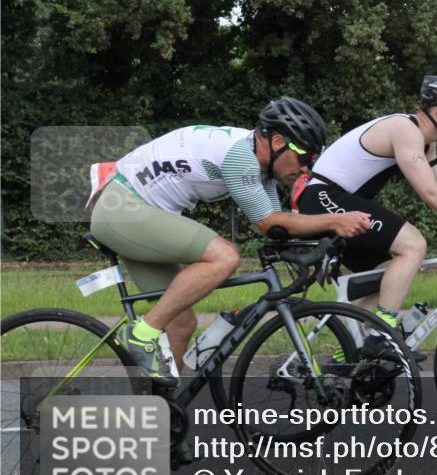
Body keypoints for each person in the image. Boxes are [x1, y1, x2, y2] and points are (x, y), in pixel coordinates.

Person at [89, 97, 371, 388]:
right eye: (305, 157)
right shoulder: (241, 158)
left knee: (181, 324)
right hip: (122, 210)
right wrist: (334, 221)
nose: (306, 169)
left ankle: (162, 410)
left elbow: (278, 229)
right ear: (277, 142)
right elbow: (269, 222)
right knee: (224, 256)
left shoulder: (262, 166)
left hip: (133, 212)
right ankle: (141, 334)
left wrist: (319, 247)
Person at [293, 76, 437, 354]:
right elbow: (430, 194)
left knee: (390, 273)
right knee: (413, 244)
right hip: (323, 198)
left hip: (329, 199)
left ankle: (351, 355)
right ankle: (382, 336)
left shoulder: (425, 141)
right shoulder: (405, 129)